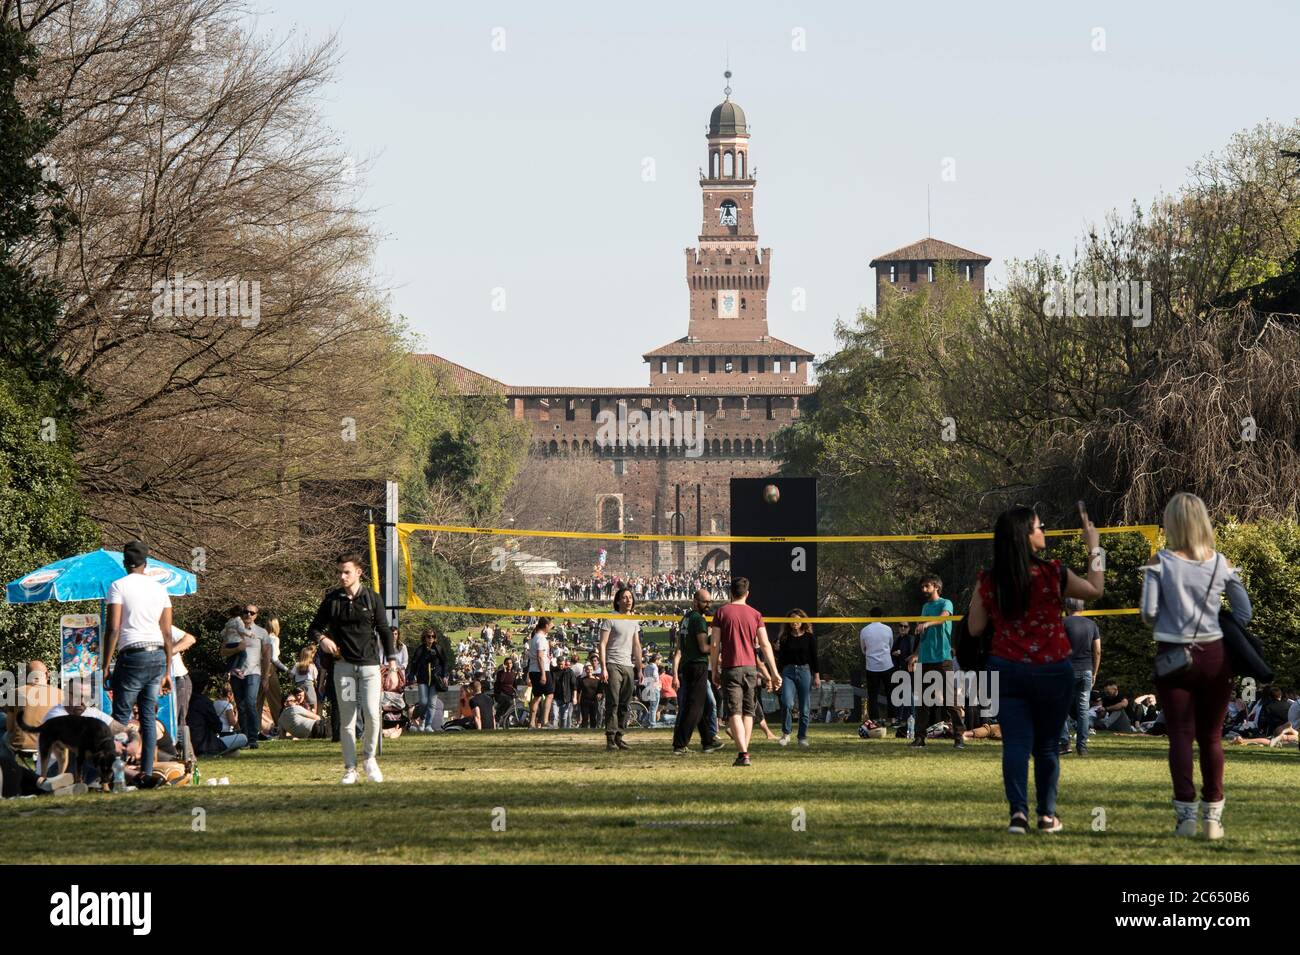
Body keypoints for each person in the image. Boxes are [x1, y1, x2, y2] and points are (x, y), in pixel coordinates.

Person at [965, 505, 1103, 834]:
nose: (1044, 532)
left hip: (1007, 668)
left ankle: (1018, 815)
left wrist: (981, 592)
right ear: (1026, 535)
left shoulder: (990, 580)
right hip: (1052, 669)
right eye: (1040, 527)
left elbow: (973, 628)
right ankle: (1047, 815)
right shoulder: (1053, 573)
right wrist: (1095, 547)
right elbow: (1095, 590)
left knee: (1015, 743)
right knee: (1045, 746)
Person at [1141, 492, 1252, 840]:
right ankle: (1213, 819)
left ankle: (1185, 817)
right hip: (1215, 656)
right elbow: (1244, 612)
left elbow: (1148, 613)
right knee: (1212, 738)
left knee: (1180, 736)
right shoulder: (1221, 563)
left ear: (1172, 523)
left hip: (1174, 654)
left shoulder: (1160, 562)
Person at [306, 552, 399, 785]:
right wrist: (322, 640)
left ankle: (369, 759)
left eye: (346, 571)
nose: (342, 576)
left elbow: (385, 631)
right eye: (339, 571)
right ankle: (350, 768)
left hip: (369, 667)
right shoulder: (332, 600)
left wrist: (393, 665)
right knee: (347, 719)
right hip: (343, 667)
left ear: (358, 572)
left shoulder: (372, 598)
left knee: (371, 714)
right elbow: (314, 628)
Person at [101, 540, 174, 787]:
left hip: (132, 655)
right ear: (146, 563)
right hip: (157, 655)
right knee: (147, 717)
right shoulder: (160, 589)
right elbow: (166, 633)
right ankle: (146, 772)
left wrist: (105, 665)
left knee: (121, 717)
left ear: (124, 563)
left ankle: (119, 777)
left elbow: (112, 629)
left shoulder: (117, 586)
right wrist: (167, 670)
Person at [709, 577, 781, 767]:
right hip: (750, 668)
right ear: (747, 593)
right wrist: (774, 672)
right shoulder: (756, 614)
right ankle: (744, 753)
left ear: (730, 592)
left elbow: (715, 644)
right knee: (748, 712)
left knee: (734, 711)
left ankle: (743, 753)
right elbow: (765, 645)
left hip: (731, 667)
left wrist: (714, 667)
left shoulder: (721, 613)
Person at [906, 576, 964, 749]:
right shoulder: (925, 607)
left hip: (942, 658)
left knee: (950, 700)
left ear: (936, 586)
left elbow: (943, 618)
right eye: (922, 586)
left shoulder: (946, 603)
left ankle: (959, 738)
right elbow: (922, 634)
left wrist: (927, 624)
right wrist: (916, 654)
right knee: (922, 702)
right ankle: (919, 738)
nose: (923, 589)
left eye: (927, 586)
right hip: (925, 659)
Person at [599, 588, 643, 751]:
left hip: (628, 665)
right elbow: (602, 643)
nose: (628, 600)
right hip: (612, 664)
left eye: (630, 597)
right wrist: (603, 667)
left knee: (625, 703)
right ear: (618, 601)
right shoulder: (611, 618)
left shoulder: (634, 620)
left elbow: (636, 645)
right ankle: (610, 737)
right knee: (613, 702)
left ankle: (620, 736)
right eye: (624, 597)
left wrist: (639, 668)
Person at [1059, 599, 1101, 756]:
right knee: (1083, 709)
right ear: (1082, 608)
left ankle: (1064, 743)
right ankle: (1082, 747)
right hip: (1086, 671)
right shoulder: (1092, 625)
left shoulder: (1063, 623)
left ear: (1067, 608)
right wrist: (1095, 672)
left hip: (1066, 671)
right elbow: (1097, 651)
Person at [220, 604, 265, 748]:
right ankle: (244, 738)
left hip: (254, 672)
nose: (248, 615)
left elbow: (267, 654)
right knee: (240, 705)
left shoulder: (261, 632)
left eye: (252, 613)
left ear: (256, 615)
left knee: (251, 703)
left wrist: (267, 675)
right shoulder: (233, 628)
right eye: (246, 612)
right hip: (236, 673)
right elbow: (223, 651)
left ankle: (253, 737)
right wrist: (237, 649)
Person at [776, 609, 819, 748]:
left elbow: (814, 657)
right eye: (792, 620)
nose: (795, 622)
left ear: (802, 621)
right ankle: (786, 733)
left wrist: (816, 675)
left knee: (804, 707)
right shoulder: (784, 638)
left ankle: (802, 736)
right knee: (787, 703)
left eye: (797, 619)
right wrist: (776, 675)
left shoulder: (809, 637)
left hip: (805, 671)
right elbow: (781, 659)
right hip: (788, 672)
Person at [407, 628, 449, 732]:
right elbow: (414, 663)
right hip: (423, 679)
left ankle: (428, 725)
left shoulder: (438, 648)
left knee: (432, 703)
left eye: (433, 636)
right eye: (428, 636)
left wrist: (444, 676)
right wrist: (411, 676)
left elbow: (444, 663)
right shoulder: (420, 649)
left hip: (435, 679)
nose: (431, 638)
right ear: (424, 638)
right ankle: (422, 720)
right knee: (423, 702)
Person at [859, 610, 894, 726]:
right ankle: (892, 718)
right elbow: (890, 645)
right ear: (882, 616)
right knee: (890, 693)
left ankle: (874, 719)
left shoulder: (864, 630)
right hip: (887, 665)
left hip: (872, 667)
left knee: (873, 695)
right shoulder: (888, 629)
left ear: (869, 616)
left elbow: (863, 649)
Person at [257, 614, 289, 729]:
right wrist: (287, 670)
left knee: (258, 701)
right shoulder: (274, 639)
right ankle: (280, 727)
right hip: (269, 669)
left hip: (258, 668)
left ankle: (255, 728)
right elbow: (274, 658)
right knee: (275, 700)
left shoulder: (262, 637)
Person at [527, 618, 555, 729]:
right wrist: (543, 674)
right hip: (541, 670)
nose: (550, 628)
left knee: (537, 696)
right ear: (546, 626)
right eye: (550, 626)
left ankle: (532, 722)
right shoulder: (541, 639)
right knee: (549, 694)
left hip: (533, 670)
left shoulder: (534, 638)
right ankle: (545, 721)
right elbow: (539, 657)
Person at [291, 645, 319, 713]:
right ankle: (313, 718)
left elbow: (291, 675)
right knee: (313, 703)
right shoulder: (312, 666)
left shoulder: (297, 665)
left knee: (300, 703)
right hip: (309, 686)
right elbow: (315, 678)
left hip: (299, 686)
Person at [493, 656, 520, 724]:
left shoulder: (513, 674)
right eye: (507, 663)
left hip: (510, 693)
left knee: (513, 703)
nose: (509, 665)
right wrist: (504, 672)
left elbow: (514, 685)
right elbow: (501, 681)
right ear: (504, 664)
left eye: (510, 663)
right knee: (507, 702)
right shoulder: (500, 673)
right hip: (501, 692)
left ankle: (506, 718)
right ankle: (498, 716)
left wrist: (516, 692)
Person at [553, 657, 577, 728]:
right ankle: (553, 732)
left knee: (564, 717)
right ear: (557, 663)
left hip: (566, 698)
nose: (561, 666)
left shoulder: (569, 672)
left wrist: (575, 697)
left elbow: (574, 685)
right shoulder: (553, 671)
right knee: (555, 716)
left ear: (564, 663)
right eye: (559, 664)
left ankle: (562, 731)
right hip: (555, 697)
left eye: (562, 664)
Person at [640, 654, 661, 728]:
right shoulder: (654, 667)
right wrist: (658, 683)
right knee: (654, 708)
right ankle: (652, 724)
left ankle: (645, 722)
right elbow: (655, 676)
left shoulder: (647, 667)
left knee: (651, 707)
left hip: (648, 687)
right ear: (656, 660)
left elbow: (645, 678)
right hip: (654, 688)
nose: (660, 662)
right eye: (660, 660)